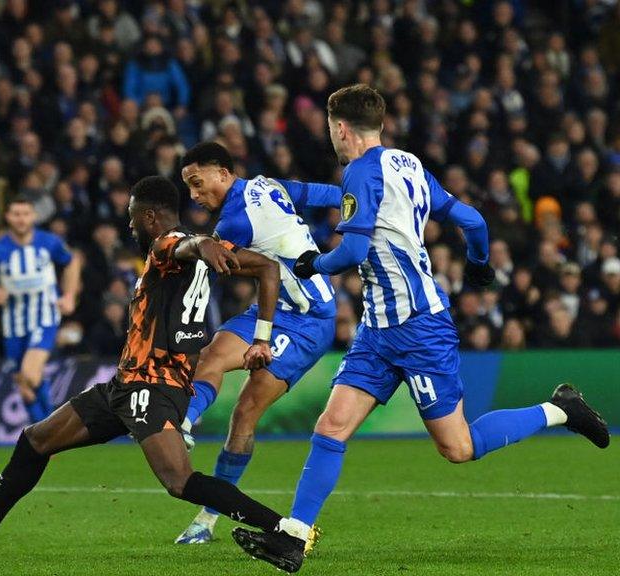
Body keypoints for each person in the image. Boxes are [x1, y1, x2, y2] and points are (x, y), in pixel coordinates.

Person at [232, 84, 611, 572]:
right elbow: (472, 219)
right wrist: (478, 263)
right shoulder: (406, 164)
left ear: (340, 128)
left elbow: (351, 253)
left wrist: (309, 265)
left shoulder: (360, 171)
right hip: (377, 328)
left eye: (331, 129)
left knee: (458, 447)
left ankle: (560, 410)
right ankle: (295, 536)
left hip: (417, 327)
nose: (332, 136)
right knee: (331, 425)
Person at [0, 175, 307, 559]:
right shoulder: (210, 251)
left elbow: (186, 245)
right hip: (124, 385)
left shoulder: (164, 245)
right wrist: (260, 336)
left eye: (132, 216)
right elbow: (267, 268)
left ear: (152, 217)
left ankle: (284, 531)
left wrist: (202, 243)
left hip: (152, 386)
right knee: (35, 440)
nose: (130, 224)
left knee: (179, 481)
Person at [173, 141, 339, 544]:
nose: (195, 195)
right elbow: (326, 195)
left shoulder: (233, 223)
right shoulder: (268, 185)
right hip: (275, 303)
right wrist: (363, 205)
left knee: (246, 411)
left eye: (198, 183)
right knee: (211, 355)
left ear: (224, 174)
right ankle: (183, 423)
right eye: (189, 188)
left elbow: (244, 272)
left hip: (309, 320)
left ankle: (207, 515)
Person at [0, 196, 81, 423]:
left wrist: (69, 295)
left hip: (44, 317)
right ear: (8, 217)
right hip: (13, 325)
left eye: (25, 214)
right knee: (24, 387)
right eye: (16, 214)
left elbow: (71, 262)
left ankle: (55, 427)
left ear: (33, 216)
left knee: (30, 374)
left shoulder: (49, 242)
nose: (21, 219)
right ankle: (46, 438)